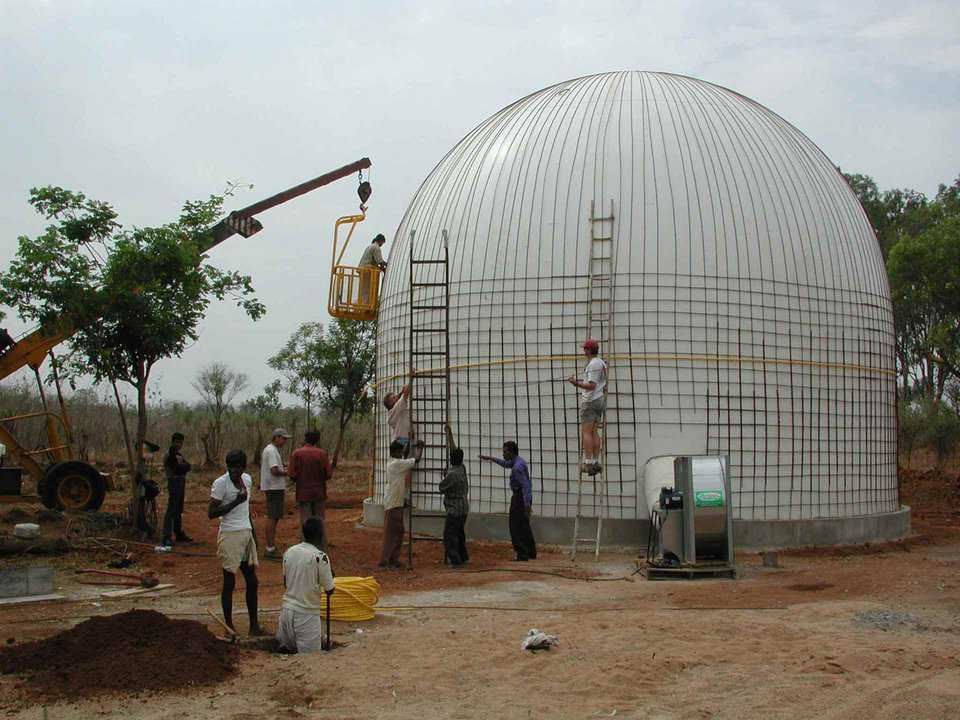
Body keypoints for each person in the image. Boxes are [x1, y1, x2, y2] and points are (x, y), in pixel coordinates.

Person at [208, 450, 264, 636]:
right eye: (231, 469)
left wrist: (253, 535)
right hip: (230, 536)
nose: (234, 472)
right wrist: (234, 502)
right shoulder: (220, 484)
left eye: (238, 469)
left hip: (246, 533)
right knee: (229, 582)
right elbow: (212, 513)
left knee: (252, 581)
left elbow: (246, 510)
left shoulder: (247, 479)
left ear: (243, 468)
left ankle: (254, 626)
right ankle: (229, 627)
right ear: (227, 467)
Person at [276, 517, 336, 654]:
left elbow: (286, 583)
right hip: (306, 617)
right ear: (320, 535)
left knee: (285, 654)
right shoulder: (320, 557)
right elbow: (330, 589)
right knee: (311, 661)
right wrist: (330, 576)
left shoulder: (289, 552)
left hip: (285, 613)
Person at [479, 441, 537, 561]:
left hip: (520, 498)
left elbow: (526, 486)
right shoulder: (518, 461)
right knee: (524, 525)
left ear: (511, 452)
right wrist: (490, 458)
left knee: (515, 526)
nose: (503, 454)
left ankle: (522, 553)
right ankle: (530, 551)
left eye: (505, 451)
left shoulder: (517, 468)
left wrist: (526, 504)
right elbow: (505, 464)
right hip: (522, 497)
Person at [379, 438, 425, 569]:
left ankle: (392, 559)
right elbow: (415, 460)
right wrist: (420, 448)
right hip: (394, 504)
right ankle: (385, 561)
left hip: (395, 502)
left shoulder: (393, 462)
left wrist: (409, 443)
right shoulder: (396, 464)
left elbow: (404, 455)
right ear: (396, 452)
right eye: (400, 452)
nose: (402, 454)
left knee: (397, 532)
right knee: (392, 533)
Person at [567, 338, 607, 475]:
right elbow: (597, 382)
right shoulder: (601, 362)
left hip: (590, 401)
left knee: (586, 432)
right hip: (599, 400)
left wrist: (575, 383)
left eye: (585, 348)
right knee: (595, 432)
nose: (583, 350)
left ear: (589, 350)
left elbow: (591, 386)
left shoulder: (593, 364)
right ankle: (595, 462)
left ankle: (589, 463)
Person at [287, 430, 333, 546]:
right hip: (319, 492)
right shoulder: (322, 454)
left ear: (305, 438)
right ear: (317, 440)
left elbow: (292, 474)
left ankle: (305, 545)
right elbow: (328, 474)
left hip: (303, 493)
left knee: (305, 520)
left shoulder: (297, 453)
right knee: (320, 520)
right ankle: (320, 545)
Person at [439, 424, 469, 566]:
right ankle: (463, 557)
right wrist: (449, 434)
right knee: (459, 533)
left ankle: (455, 560)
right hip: (463, 507)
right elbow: (454, 449)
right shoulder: (462, 468)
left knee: (449, 536)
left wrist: (443, 476)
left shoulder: (452, 474)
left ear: (451, 460)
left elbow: (441, 488)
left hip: (454, 509)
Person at [260, 428, 292, 559]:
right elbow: (274, 470)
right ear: (277, 437)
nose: (285, 441)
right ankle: (270, 548)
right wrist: (288, 473)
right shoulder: (271, 450)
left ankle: (270, 546)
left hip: (273, 487)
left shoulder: (271, 450)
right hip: (274, 488)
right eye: (283, 438)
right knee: (272, 517)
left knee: (274, 516)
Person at [161, 432, 192, 546]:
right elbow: (178, 469)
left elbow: (187, 465)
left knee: (178, 509)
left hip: (180, 481)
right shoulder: (169, 455)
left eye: (181, 442)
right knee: (171, 509)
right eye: (177, 442)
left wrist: (184, 467)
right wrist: (184, 467)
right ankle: (166, 536)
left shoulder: (178, 454)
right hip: (174, 482)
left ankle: (178, 533)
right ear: (173, 442)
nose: (179, 445)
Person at [382, 383, 413, 452]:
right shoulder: (396, 409)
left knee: (402, 461)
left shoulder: (391, 412)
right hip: (402, 441)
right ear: (390, 403)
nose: (396, 397)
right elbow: (407, 390)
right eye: (393, 398)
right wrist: (411, 377)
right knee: (405, 461)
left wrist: (401, 392)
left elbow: (399, 398)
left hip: (399, 441)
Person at [358, 233, 387, 304]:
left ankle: (363, 303)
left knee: (364, 289)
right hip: (368, 270)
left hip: (363, 269)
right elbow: (380, 261)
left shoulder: (369, 246)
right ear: (380, 241)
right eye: (382, 243)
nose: (382, 245)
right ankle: (366, 304)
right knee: (368, 289)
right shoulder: (376, 248)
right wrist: (386, 268)